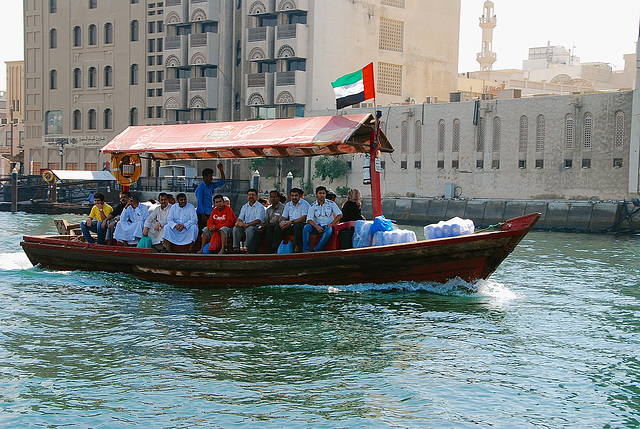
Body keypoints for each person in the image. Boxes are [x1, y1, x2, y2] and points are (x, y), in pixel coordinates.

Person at [303, 186, 343, 252]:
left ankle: (316, 250)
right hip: (317, 226)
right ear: (316, 194)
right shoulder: (312, 206)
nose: (322, 195)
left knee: (329, 230)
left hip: (327, 226)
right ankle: (306, 250)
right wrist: (316, 226)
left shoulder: (331, 204)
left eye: (323, 193)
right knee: (306, 228)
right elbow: (309, 220)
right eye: (320, 193)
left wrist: (331, 224)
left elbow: (340, 215)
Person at [274, 187, 310, 253]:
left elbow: (304, 217)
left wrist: (291, 222)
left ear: (299, 196)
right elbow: (284, 217)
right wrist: (281, 222)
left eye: (296, 195)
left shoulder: (305, 204)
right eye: (292, 196)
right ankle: (277, 247)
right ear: (290, 196)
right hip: (291, 224)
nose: (294, 197)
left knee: (297, 226)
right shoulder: (288, 205)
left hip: (301, 225)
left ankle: (297, 247)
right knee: (277, 227)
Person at [195, 164, 227, 234]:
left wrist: (221, 170)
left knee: (211, 231)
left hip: (210, 212)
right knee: (203, 231)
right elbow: (199, 202)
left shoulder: (211, 185)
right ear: (205, 177)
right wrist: (202, 214)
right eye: (210, 176)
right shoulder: (201, 188)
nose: (211, 178)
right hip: (203, 214)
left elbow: (223, 182)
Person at [232, 188, 266, 253]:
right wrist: (238, 222)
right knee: (236, 228)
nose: (251, 196)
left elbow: (258, 220)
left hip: (256, 227)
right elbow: (240, 217)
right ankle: (236, 248)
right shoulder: (244, 206)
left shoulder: (260, 207)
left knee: (249, 229)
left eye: (253, 195)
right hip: (246, 225)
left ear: (256, 196)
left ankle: (248, 248)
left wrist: (246, 224)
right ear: (247, 197)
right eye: (249, 195)